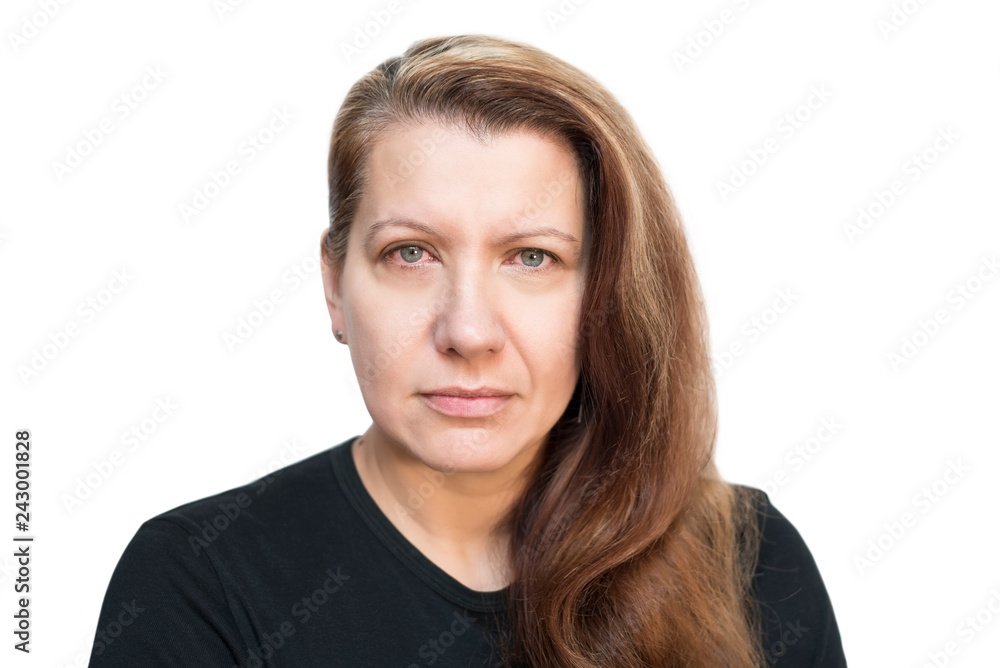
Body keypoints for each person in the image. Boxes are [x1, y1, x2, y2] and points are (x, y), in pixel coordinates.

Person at [88, 34, 847, 667]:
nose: (469, 331)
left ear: (605, 292)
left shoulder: (751, 564)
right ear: (334, 285)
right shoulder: (198, 581)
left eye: (532, 258)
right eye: (411, 253)